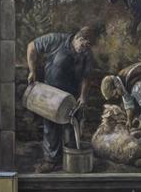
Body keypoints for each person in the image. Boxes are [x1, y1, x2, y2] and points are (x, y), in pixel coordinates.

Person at [25, 27, 96, 172]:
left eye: (87, 47)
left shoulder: (87, 54)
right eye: (83, 45)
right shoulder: (56, 40)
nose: (84, 50)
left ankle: (70, 160)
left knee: (70, 128)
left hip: (71, 97)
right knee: (50, 128)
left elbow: (86, 77)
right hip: (51, 94)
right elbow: (32, 46)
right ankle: (51, 161)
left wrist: (82, 96)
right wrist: (32, 71)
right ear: (78, 38)